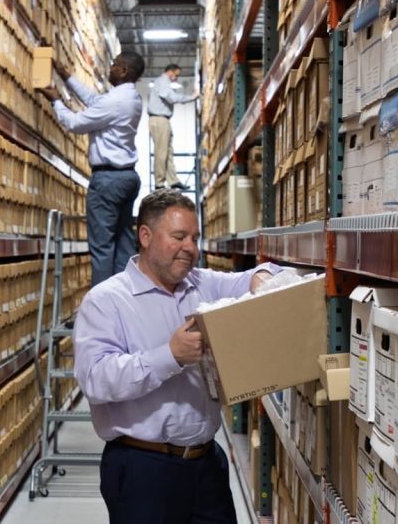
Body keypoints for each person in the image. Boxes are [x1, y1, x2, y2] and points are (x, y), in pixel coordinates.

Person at [73, 189, 281, 523]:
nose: (191, 248)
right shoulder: (107, 300)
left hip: (206, 465)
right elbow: (96, 380)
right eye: (179, 237)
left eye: (195, 238)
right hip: (143, 469)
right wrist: (169, 356)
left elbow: (254, 276)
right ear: (145, 236)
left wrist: (263, 279)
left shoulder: (201, 284)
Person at [37, 51, 146, 287]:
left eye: (115, 64)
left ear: (124, 71)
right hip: (126, 177)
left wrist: (56, 100)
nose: (110, 67)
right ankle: (124, 303)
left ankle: (101, 313)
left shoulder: (117, 101)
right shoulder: (130, 98)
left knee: (102, 248)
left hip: (108, 180)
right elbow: (95, 101)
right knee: (123, 245)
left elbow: (76, 124)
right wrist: (66, 76)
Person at [148, 63, 198, 190]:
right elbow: (171, 97)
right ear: (170, 71)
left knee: (168, 152)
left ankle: (173, 180)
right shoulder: (162, 81)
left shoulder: (164, 82)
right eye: (176, 75)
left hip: (164, 120)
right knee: (161, 152)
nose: (176, 78)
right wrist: (192, 97)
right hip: (159, 119)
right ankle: (159, 183)